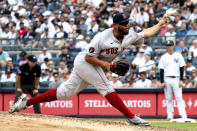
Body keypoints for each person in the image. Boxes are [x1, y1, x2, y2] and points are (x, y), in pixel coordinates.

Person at [9, 12, 169, 126]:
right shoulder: (102, 37)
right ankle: (132, 117)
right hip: (85, 62)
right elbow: (88, 57)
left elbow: (146, 33)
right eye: (125, 23)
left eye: (128, 22)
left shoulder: (129, 35)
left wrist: (160, 24)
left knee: (64, 93)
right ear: (116, 26)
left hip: (92, 66)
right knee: (106, 87)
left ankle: (25, 103)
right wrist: (109, 65)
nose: (128, 25)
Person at [158, 40, 187, 120]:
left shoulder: (178, 55)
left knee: (179, 97)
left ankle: (183, 114)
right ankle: (170, 115)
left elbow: (181, 68)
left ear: (173, 46)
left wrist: (181, 79)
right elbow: (161, 70)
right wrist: (162, 81)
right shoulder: (164, 57)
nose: (169, 46)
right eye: (168, 45)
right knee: (168, 98)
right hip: (167, 78)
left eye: (170, 45)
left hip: (176, 78)